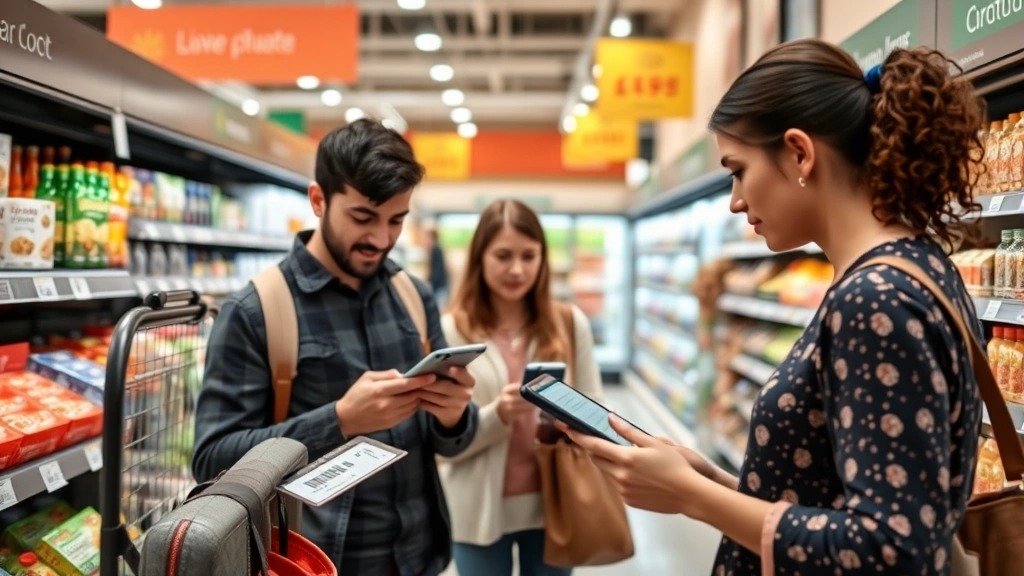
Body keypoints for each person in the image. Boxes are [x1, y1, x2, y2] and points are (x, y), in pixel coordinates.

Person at [561, 39, 984, 575]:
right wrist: (704, 480)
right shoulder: (916, 265)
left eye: (738, 170)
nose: (736, 199)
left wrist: (692, 497)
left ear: (800, 153)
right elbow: (830, 501)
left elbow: (891, 549)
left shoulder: (872, 299)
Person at [191, 119, 479, 576]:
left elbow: (453, 441)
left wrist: (454, 415)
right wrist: (339, 420)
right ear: (318, 200)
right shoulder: (256, 310)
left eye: (396, 221)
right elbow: (212, 458)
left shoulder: (414, 297)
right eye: (363, 218)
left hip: (421, 556)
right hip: (317, 561)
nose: (381, 240)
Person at [438, 199, 605, 576]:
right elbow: (443, 445)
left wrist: (566, 414)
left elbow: (599, 410)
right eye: (503, 255)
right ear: (479, 258)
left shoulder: (568, 322)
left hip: (554, 504)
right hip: (476, 509)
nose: (517, 269)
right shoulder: (452, 331)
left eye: (529, 256)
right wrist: (497, 415)